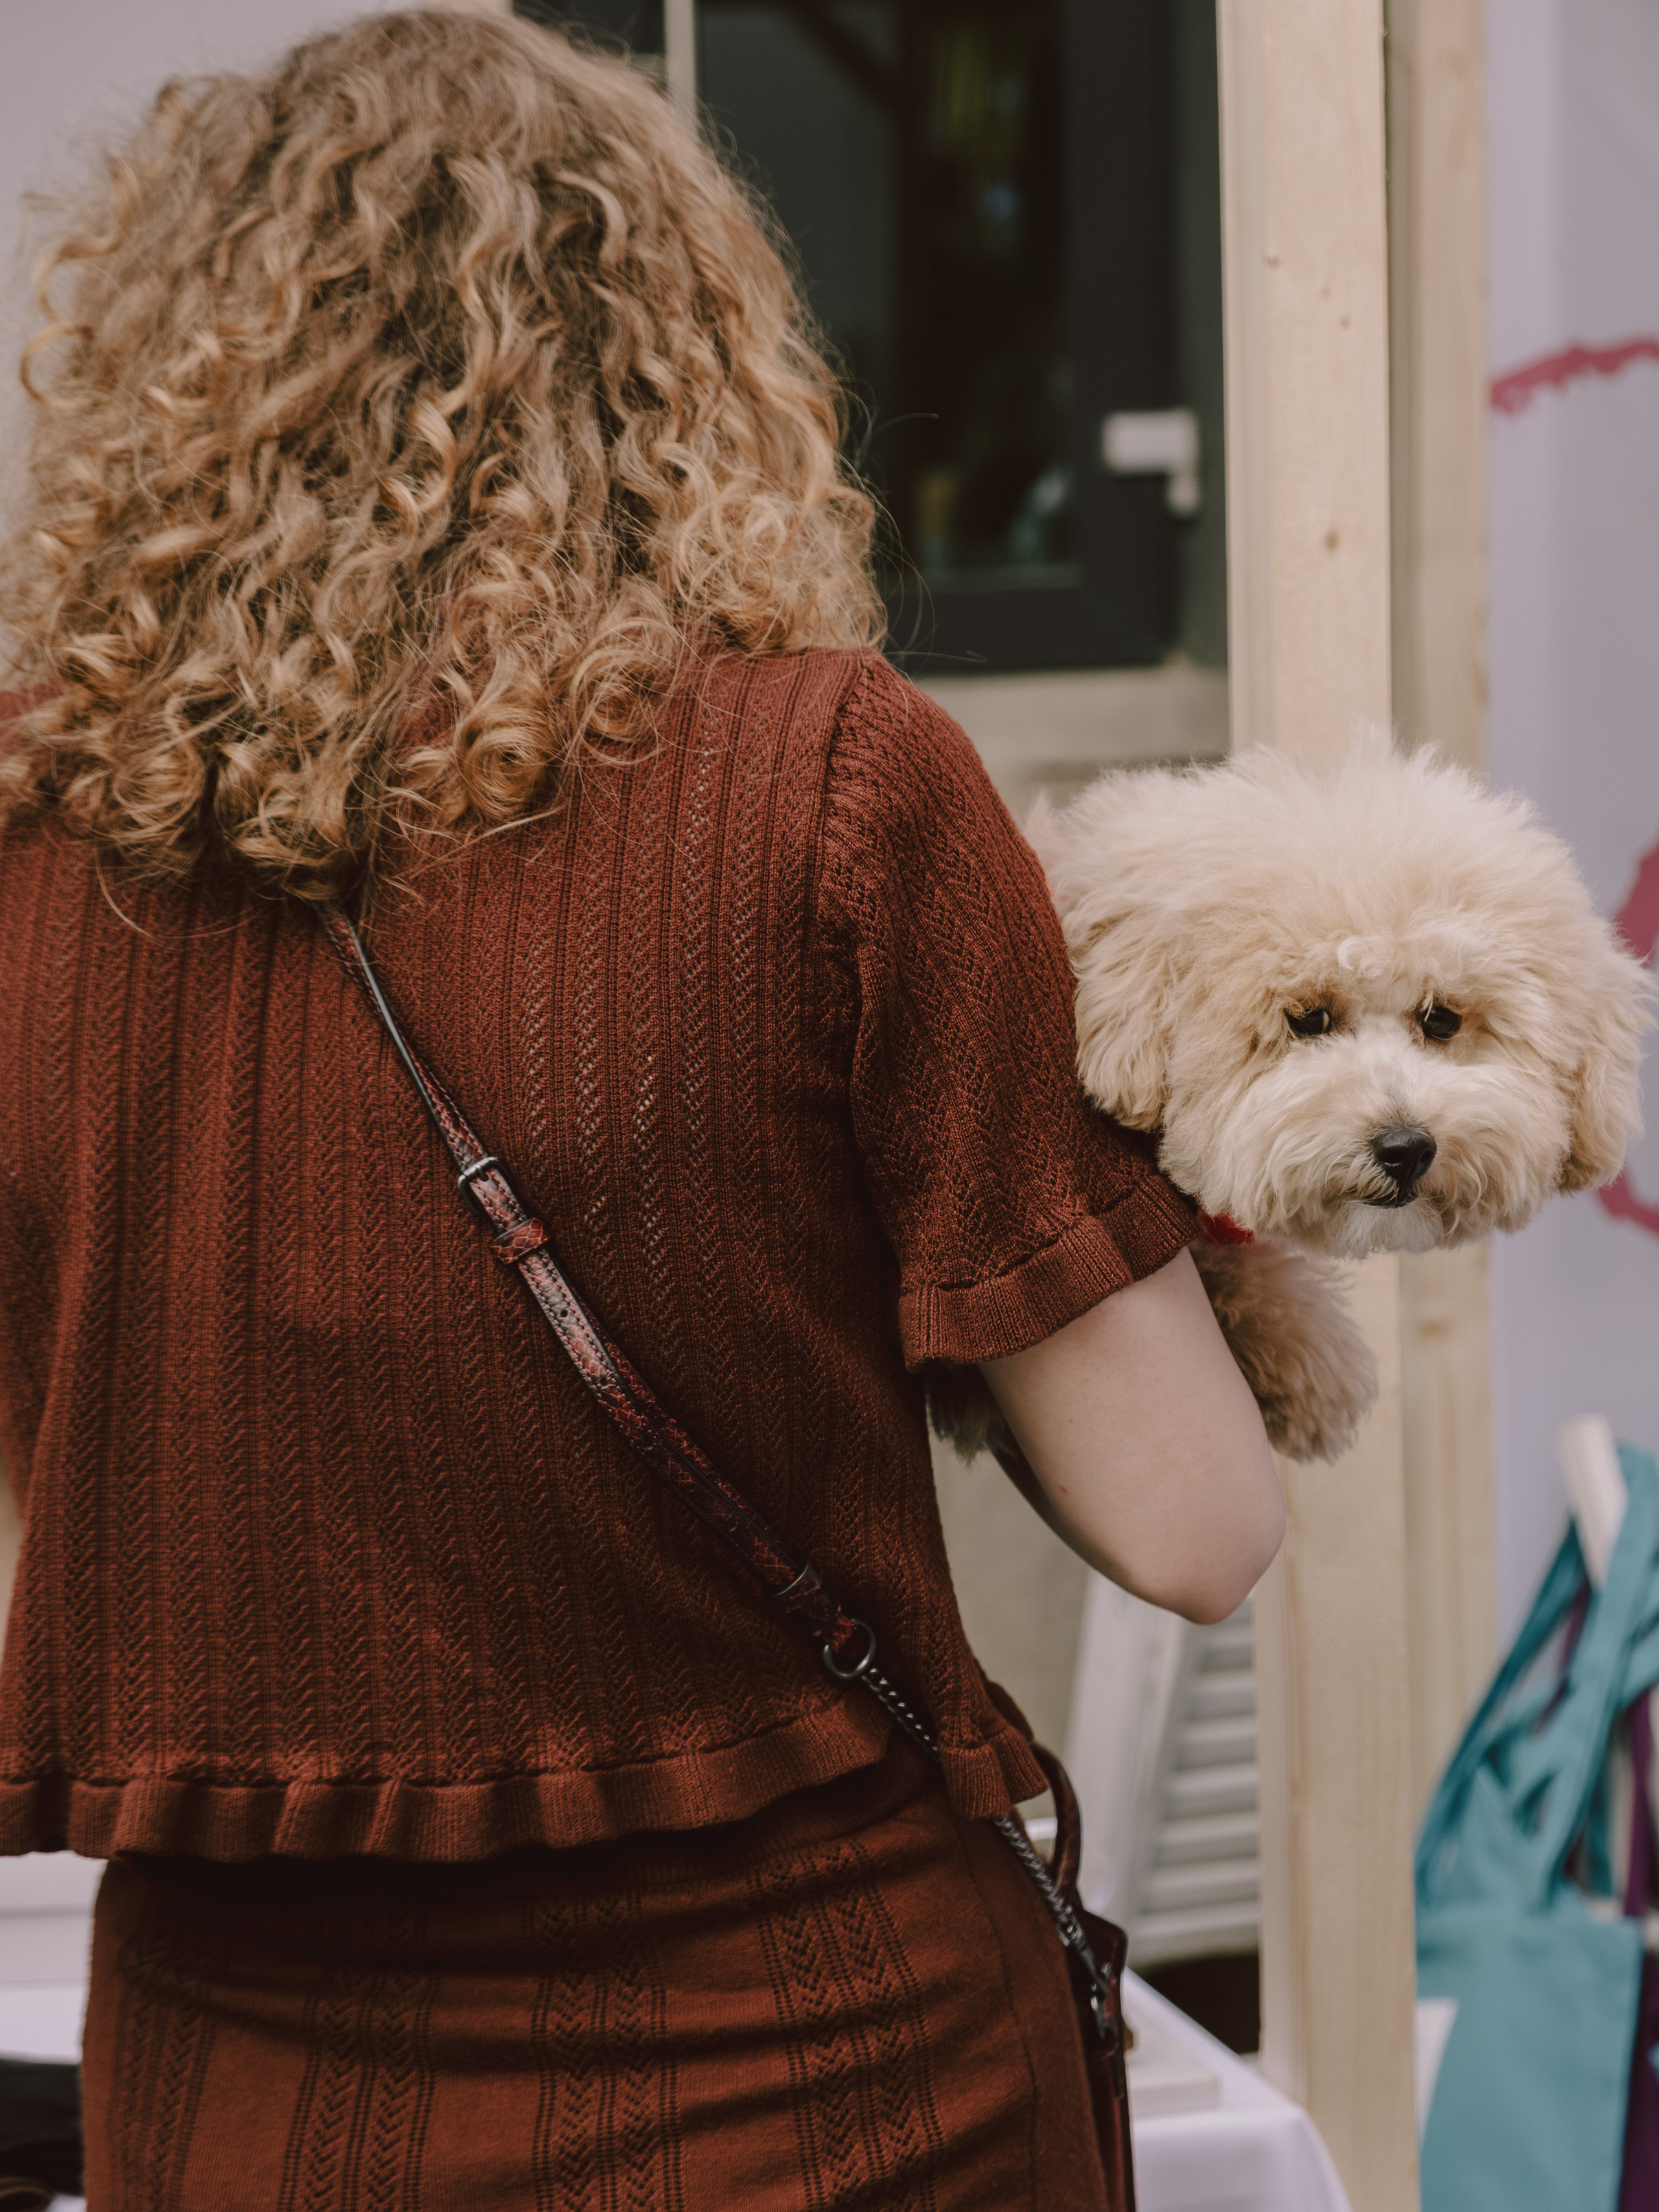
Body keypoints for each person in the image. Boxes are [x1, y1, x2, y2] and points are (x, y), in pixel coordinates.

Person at [0, 13, 1282, 2206]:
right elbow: (1195, 1527)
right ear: (679, 352)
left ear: (164, 382)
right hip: (833, 2086)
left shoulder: (28, 839)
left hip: (250, 2099)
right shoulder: (833, 783)